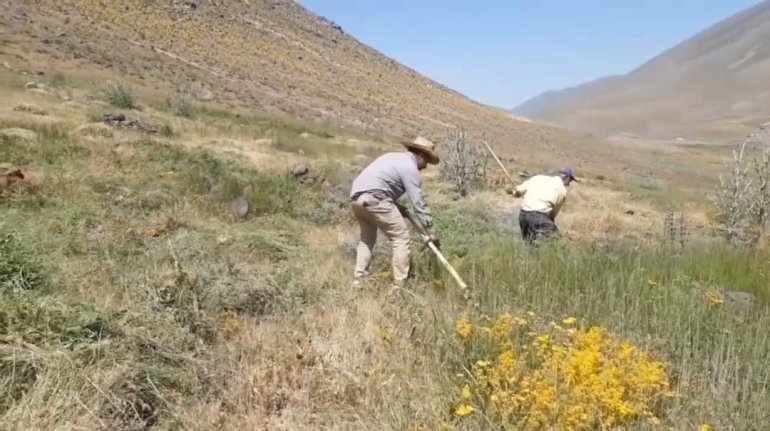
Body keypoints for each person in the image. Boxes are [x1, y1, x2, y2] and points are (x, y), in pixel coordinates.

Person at [349, 136, 441, 288]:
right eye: (426, 161)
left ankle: (358, 280)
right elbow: (418, 202)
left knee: (367, 239)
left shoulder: (391, 157)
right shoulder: (410, 168)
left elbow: (380, 183)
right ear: (421, 155)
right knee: (401, 237)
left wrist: (398, 207)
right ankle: (399, 286)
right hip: (376, 199)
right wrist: (431, 231)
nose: (425, 166)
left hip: (356, 199)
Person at [513, 168, 579, 245]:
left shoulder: (538, 178)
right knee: (557, 243)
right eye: (570, 181)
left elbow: (517, 191)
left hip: (523, 215)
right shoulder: (561, 189)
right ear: (567, 178)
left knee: (529, 245)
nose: (569, 184)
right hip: (538, 217)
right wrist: (549, 224)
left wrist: (516, 192)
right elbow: (553, 213)